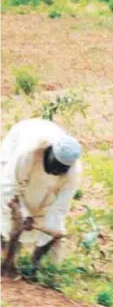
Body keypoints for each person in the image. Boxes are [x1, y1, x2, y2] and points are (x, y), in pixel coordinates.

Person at [1, 119, 82, 277]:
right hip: (17, 146)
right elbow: (10, 187)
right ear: (49, 152)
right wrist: (23, 213)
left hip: (39, 189)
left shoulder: (73, 173)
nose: (57, 171)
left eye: (62, 169)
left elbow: (58, 210)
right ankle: (6, 259)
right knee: (5, 211)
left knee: (46, 218)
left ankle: (37, 267)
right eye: (55, 164)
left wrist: (36, 260)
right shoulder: (28, 152)